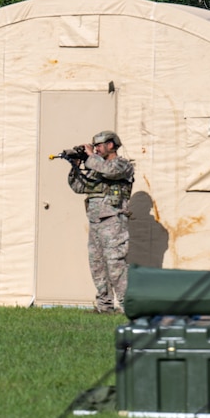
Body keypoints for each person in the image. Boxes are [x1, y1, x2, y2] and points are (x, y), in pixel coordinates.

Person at [67, 130, 134, 314]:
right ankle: (104, 306)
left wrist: (90, 157)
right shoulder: (96, 168)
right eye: (94, 146)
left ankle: (128, 306)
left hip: (113, 221)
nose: (95, 149)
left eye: (98, 145)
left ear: (110, 145)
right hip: (96, 222)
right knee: (97, 265)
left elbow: (110, 171)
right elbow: (79, 187)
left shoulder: (122, 165)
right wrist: (75, 166)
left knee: (115, 263)